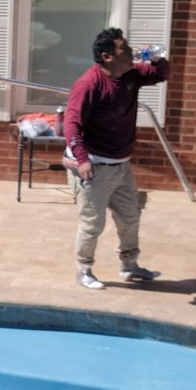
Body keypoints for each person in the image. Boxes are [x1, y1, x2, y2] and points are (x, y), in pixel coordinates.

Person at [63, 27, 171, 290]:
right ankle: (84, 269)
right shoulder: (89, 84)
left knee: (130, 216)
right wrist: (82, 159)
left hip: (120, 165)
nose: (131, 52)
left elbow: (161, 73)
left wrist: (156, 57)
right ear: (107, 56)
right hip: (93, 167)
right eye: (124, 48)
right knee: (93, 223)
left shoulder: (130, 75)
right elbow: (72, 124)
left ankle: (129, 265)